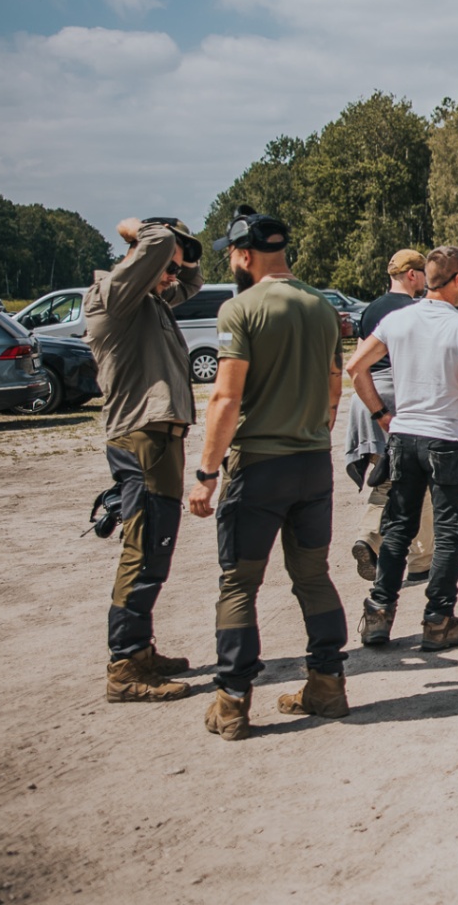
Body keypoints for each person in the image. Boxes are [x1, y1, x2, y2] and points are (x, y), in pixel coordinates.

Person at [185, 208, 348, 740]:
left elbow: (226, 398)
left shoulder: (240, 308)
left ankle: (232, 701)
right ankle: (327, 684)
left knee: (239, 583)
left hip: (259, 469)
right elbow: (332, 386)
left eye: (230, 253)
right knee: (313, 576)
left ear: (243, 254)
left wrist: (207, 472)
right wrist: (313, 428)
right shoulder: (321, 306)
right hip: (311, 465)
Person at [350, 245, 458, 650]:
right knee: (450, 532)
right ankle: (438, 620)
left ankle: (378, 614)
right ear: (457, 280)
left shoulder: (398, 320)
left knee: (398, 526)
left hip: (404, 438)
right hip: (448, 439)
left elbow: (355, 367)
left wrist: (382, 413)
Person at [85, 215, 204, 703]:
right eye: (166, 266)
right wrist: (139, 229)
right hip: (142, 437)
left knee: (156, 546)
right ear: (140, 255)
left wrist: (185, 257)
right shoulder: (118, 294)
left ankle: (139, 648)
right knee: (144, 548)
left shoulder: (149, 298)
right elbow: (152, 245)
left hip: (155, 436)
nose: (172, 276)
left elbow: (191, 281)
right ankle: (125, 664)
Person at [347, 249, 433, 585]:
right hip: (397, 397)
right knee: (410, 479)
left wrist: (372, 407)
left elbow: (358, 359)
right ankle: (379, 541)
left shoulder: (370, 310)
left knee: (393, 476)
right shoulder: (415, 310)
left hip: (365, 399)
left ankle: (418, 557)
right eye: (423, 272)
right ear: (412, 275)